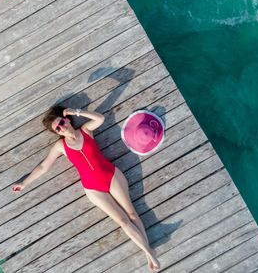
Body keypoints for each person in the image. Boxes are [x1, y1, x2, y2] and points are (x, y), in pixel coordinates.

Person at [12, 105, 161, 272]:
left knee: (132, 213)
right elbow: (43, 167)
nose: (62, 127)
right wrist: (24, 183)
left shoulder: (85, 131)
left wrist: (77, 112)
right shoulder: (61, 147)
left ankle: (149, 253)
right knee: (122, 221)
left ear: (66, 119)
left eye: (62, 122)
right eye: (58, 129)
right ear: (58, 133)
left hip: (111, 176)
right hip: (93, 188)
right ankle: (149, 252)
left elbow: (100, 119)